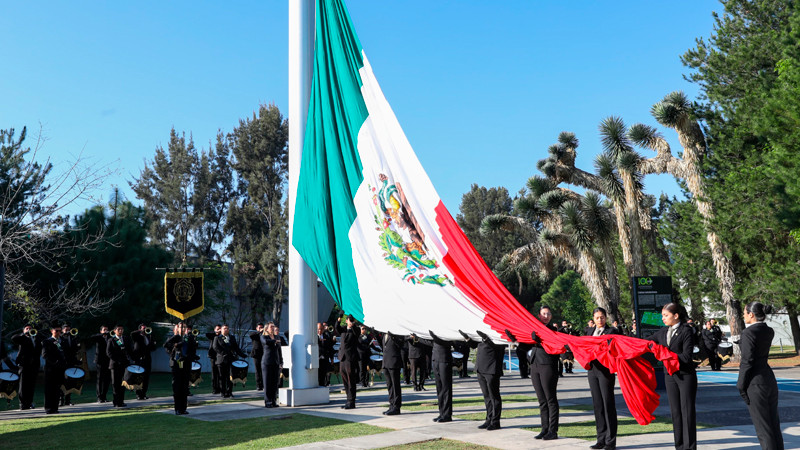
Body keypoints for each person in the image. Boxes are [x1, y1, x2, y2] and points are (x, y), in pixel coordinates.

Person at [648, 303, 697, 450]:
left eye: (666, 315)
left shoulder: (686, 330)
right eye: (662, 315)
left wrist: (667, 355)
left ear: (676, 316)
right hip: (669, 376)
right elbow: (645, 342)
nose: (663, 318)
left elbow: (687, 356)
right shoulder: (663, 331)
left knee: (687, 411)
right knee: (675, 412)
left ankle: (689, 447)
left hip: (685, 375)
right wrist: (622, 341)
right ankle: (679, 446)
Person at [738, 302, 783, 450]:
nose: (743, 315)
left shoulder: (748, 333)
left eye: (745, 312)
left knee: (763, 429)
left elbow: (747, 361)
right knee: (774, 425)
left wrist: (740, 384)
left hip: (755, 382)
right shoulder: (768, 330)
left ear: (751, 314)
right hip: (768, 378)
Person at [585, 307, 621, 450]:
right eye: (597, 317)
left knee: (608, 404)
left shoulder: (612, 331)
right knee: (598, 405)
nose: (600, 320)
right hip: (592, 370)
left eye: (602, 317)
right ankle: (600, 439)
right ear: (593, 319)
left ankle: (610, 441)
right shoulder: (589, 331)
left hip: (606, 371)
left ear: (606, 318)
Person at [529, 305, 560, 440]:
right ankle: (544, 429)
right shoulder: (534, 328)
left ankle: (553, 431)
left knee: (550, 399)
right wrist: (514, 338)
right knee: (542, 400)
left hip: (548, 365)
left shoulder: (553, 330)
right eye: (543, 314)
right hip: (534, 365)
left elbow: (552, 346)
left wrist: (539, 341)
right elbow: (525, 346)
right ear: (539, 315)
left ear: (551, 316)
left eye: (548, 314)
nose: (546, 316)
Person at [463, 329, 504, 431]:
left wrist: (486, 339)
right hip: (480, 368)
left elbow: (499, 346)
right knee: (487, 396)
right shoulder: (481, 330)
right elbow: (474, 345)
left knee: (494, 396)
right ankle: (488, 419)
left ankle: (495, 422)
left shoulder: (497, 332)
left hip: (491, 368)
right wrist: (467, 339)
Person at [164, 321, 197, 415]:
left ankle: (183, 408)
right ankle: (177, 408)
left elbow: (193, 349)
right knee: (177, 386)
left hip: (186, 363)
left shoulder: (189, 338)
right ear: (177, 328)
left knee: (185, 386)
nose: (183, 329)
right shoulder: (175, 338)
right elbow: (166, 346)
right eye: (181, 327)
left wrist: (189, 356)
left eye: (184, 327)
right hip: (177, 363)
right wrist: (175, 346)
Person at [12, 325, 42, 410]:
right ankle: (22, 404)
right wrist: (24, 334)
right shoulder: (22, 338)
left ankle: (29, 402)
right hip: (24, 365)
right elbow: (13, 338)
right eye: (27, 328)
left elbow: (38, 349)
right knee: (23, 385)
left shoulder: (36, 339)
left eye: (30, 329)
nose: (29, 330)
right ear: (24, 330)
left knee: (31, 385)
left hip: (34, 365)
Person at [426, 331, 454, 423]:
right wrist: (418, 337)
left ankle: (447, 414)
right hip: (436, 359)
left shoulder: (445, 331)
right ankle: (442, 412)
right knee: (439, 388)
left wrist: (434, 337)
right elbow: (432, 343)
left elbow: (447, 342)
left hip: (444, 359)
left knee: (446, 388)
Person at [213, 324, 247, 398]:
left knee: (230, 376)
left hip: (230, 359)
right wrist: (223, 353)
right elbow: (215, 347)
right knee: (222, 377)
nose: (226, 330)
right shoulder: (217, 338)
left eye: (227, 328)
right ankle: (223, 392)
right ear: (221, 330)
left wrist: (242, 354)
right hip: (221, 360)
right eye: (224, 328)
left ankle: (229, 392)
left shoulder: (231, 337)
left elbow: (236, 348)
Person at [42, 325, 67, 414]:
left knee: (57, 389)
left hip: (59, 369)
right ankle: (48, 408)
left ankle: (55, 407)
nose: (59, 333)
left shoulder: (62, 341)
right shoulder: (47, 341)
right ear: (52, 331)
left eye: (60, 331)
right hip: (50, 368)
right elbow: (45, 355)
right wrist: (55, 362)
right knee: (49, 389)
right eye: (57, 331)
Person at [336, 315, 360, 409]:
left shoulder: (356, 329)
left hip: (350, 358)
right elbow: (337, 328)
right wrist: (339, 319)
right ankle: (348, 400)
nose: (350, 321)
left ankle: (351, 401)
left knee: (351, 380)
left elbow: (356, 333)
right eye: (349, 320)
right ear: (346, 321)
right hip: (342, 358)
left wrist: (352, 325)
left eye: (351, 320)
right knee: (345, 380)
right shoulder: (343, 329)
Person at [107, 325, 134, 407]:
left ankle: (121, 401)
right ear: (114, 331)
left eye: (122, 329)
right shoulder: (111, 340)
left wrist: (132, 359)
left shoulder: (126, 339)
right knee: (115, 384)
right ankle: (116, 402)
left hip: (124, 364)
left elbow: (130, 350)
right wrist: (118, 360)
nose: (120, 331)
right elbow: (109, 353)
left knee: (123, 383)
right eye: (118, 329)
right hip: (115, 365)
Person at [131, 323, 158, 400]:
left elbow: (153, 348)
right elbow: (132, 334)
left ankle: (143, 393)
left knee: (146, 377)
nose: (145, 330)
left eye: (145, 328)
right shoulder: (137, 337)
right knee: (139, 377)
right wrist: (140, 331)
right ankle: (138, 394)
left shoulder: (148, 337)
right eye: (143, 328)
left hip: (147, 359)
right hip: (139, 359)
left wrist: (153, 342)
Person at [382, 331, 404, 415]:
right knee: (390, 386)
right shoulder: (384, 334)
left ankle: (396, 407)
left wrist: (393, 336)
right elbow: (383, 346)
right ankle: (391, 405)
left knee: (395, 385)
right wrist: (375, 334)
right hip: (386, 362)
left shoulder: (397, 333)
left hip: (394, 362)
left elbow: (400, 345)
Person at [88, 326, 112, 403]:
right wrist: (102, 334)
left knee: (107, 379)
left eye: (107, 330)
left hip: (108, 361)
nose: (106, 331)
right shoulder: (99, 337)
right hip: (100, 361)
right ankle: (99, 397)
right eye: (104, 330)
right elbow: (92, 338)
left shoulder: (109, 338)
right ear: (101, 331)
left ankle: (104, 396)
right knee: (100, 379)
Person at [260, 322, 282, 408]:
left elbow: (279, 350)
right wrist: (274, 341)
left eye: (273, 326)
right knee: (267, 382)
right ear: (267, 329)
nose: (273, 328)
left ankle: (273, 401)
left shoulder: (277, 337)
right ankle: (268, 401)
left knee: (275, 383)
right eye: (271, 327)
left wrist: (281, 361)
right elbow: (265, 342)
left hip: (275, 362)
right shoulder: (263, 337)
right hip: (267, 362)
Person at [59, 323, 81, 406]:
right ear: (62, 330)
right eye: (66, 329)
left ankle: (68, 400)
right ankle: (61, 400)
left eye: (68, 329)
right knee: (62, 381)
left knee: (70, 381)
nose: (67, 330)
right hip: (63, 362)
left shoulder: (73, 337)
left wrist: (75, 338)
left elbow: (77, 348)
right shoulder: (60, 337)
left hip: (71, 362)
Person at [205, 325, 222, 394]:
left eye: (220, 329)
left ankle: (221, 388)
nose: (219, 330)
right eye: (217, 329)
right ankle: (215, 388)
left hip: (220, 356)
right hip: (213, 356)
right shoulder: (213, 336)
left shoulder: (222, 337)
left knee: (220, 373)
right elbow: (207, 334)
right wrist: (216, 332)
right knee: (214, 373)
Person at [317, 322, 335, 387]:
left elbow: (330, 347)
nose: (320, 331)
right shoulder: (314, 337)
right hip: (317, 358)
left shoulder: (326, 336)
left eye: (321, 329)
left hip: (325, 358)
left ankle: (323, 385)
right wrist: (319, 340)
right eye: (318, 329)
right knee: (317, 374)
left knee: (324, 373)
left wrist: (331, 358)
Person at [249, 323, 265, 391]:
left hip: (264, 353)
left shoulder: (264, 334)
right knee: (257, 370)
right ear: (256, 328)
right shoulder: (255, 334)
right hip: (256, 354)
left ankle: (264, 384)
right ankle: (259, 385)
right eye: (259, 327)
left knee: (263, 369)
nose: (261, 328)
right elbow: (251, 336)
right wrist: (259, 332)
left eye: (262, 327)